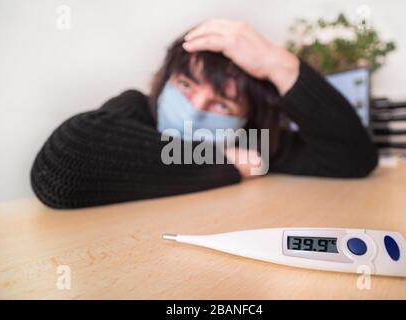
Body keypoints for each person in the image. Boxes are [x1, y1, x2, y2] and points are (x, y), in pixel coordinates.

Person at [30, 19, 378, 209]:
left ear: (245, 119)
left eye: (222, 104)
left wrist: (279, 64)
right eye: (185, 85)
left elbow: (353, 159)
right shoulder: (136, 108)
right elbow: (65, 165)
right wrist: (225, 163)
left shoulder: (255, 143)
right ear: (165, 80)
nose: (196, 109)